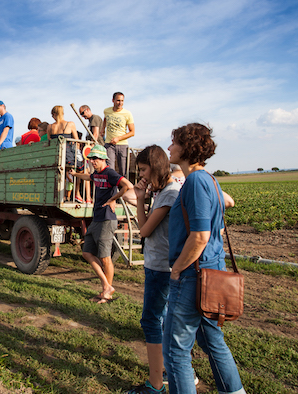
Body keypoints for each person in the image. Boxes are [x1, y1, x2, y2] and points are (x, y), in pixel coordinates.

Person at [163, 123, 245, 394]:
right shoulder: (210, 179)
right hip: (211, 274)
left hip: (192, 277)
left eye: (173, 142)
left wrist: (176, 270)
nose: (169, 147)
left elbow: (199, 235)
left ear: (186, 148)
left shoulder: (196, 182)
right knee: (212, 342)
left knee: (176, 351)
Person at [126, 145, 181, 394]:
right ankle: (168, 371)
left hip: (161, 268)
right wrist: (142, 198)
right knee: (164, 320)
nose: (142, 176)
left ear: (156, 166)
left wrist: (139, 199)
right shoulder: (162, 191)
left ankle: (156, 384)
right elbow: (145, 226)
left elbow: (145, 230)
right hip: (158, 264)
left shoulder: (169, 192)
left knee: (151, 320)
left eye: (144, 169)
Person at [71, 145, 133, 303]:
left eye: (95, 159)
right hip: (97, 218)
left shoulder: (110, 173)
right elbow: (88, 177)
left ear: (103, 159)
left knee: (105, 257)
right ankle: (107, 285)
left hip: (106, 219)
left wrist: (113, 199)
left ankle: (107, 292)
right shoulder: (97, 174)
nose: (93, 161)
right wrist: (75, 174)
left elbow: (127, 185)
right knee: (87, 252)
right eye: (91, 159)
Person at [102, 92, 135, 178]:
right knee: (109, 170)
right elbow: (105, 120)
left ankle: (123, 190)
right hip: (109, 144)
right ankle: (113, 191)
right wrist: (102, 129)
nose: (120, 103)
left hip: (123, 145)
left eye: (122, 101)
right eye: (118, 100)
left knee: (123, 171)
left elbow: (132, 132)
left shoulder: (127, 114)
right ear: (113, 100)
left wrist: (118, 138)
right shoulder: (107, 111)